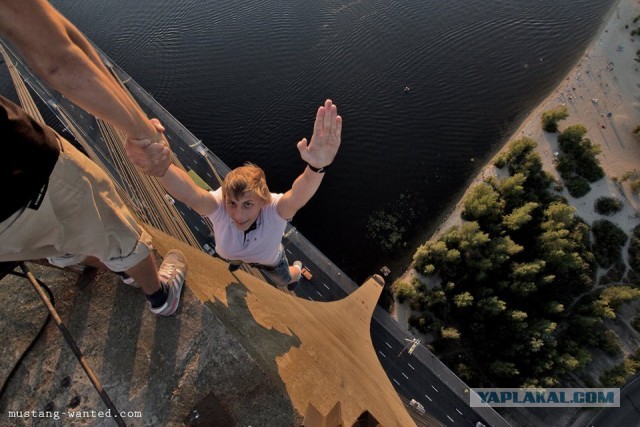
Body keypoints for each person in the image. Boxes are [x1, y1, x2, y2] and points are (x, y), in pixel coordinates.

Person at [0, 0, 187, 315]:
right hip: (21, 170)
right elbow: (59, 58)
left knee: (42, 243)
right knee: (116, 229)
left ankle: (80, 258)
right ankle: (159, 295)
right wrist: (144, 135)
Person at [157, 99, 342, 290]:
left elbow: (296, 196)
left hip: (271, 263)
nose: (237, 215)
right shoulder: (219, 206)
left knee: (284, 279)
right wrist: (162, 165)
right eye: (232, 203)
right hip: (233, 254)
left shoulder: (273, 211)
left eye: (247, 204)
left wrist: (316, 167)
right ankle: (237, 261)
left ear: (262, 202)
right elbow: (191, 194)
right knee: (235, 258)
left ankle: (296, 271)